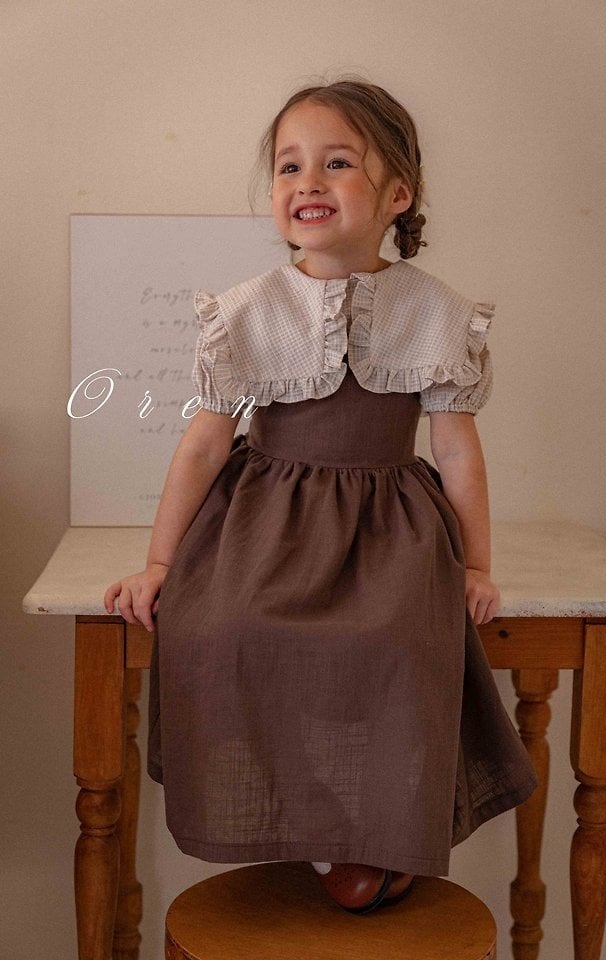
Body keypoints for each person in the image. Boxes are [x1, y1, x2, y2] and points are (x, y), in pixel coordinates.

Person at [104, 78, 537, 915]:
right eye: (289, 166)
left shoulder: (435, 311)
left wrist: (478, 565)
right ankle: (302, 816)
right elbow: (204, 445)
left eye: (337, 163)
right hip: (265, 521)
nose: (307, 181)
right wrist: (159, 562)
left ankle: (371, 832)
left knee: (400, 642)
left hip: (389, 526)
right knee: (226, 629)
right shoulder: (246, 311)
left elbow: (456, 448)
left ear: (397, 193)